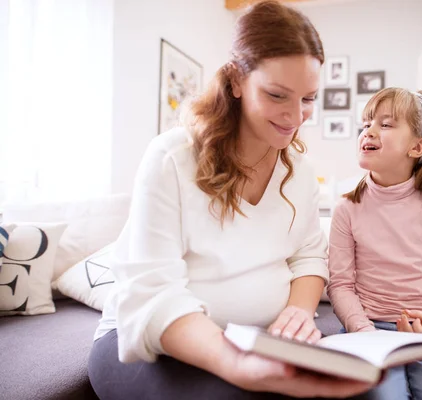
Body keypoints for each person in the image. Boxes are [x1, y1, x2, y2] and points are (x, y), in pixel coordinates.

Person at [87, 1, 374, 399]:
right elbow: (154, 294)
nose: (296, 116)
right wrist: (235, 363)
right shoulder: (172, 158)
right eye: (277, 95)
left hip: (253, 340)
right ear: (237, 80)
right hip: (149, 346)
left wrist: (298, 311)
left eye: (308, 99)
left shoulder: (301, 175)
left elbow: (308, 256)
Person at [327, 87, 422, 399]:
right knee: (381, 395)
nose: (369, 130)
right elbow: (340, 284)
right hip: (365, 331)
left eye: (385, 124)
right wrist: (362, 331)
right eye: (367, 122)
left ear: (417, 147)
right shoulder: (346, 209)